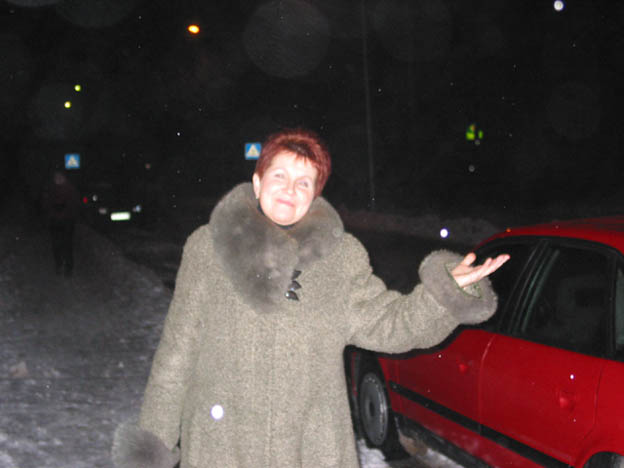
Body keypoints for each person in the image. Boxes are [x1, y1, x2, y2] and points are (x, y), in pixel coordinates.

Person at [112, 128, 509, 468]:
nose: (290, 189)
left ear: (315, 195)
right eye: (280, 175)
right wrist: (152, 447)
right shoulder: (208, 250)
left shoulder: (340, 258)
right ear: (257, 183)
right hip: (221, 448)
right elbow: (176, 356)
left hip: (313, 450)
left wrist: (446, 293)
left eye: (304, 182)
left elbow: (391, 324)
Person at [41, 170, 81, 276]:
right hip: (54, 221)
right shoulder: (50, 189)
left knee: (67, 244)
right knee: (56, 245)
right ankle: (58, 264)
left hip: (67, 221)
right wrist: (53, 212)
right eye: (56, 177)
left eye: (60, 176)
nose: (58, 179)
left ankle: (69, 268)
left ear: (64, 177)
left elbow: (75, 204)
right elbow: (45, 204)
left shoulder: (70, 188)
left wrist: (65, 212)